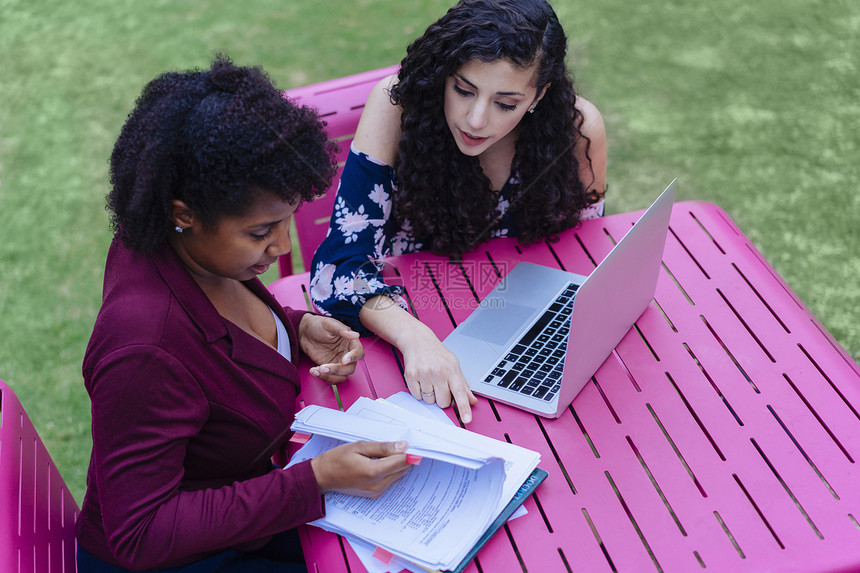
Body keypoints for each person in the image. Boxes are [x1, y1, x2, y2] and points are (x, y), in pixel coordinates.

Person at [76, 56, 412, 572]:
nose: (281, 246)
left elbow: (224, 334)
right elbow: (140, 534)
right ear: (183, 214)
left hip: (248, 511)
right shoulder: (142, 351)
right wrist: (314, 480)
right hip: (188, 557)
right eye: (260, 233)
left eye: (285, 222)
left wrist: (296, 327)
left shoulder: (189, 250)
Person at [309, 0, 607, 424]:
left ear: (539, 94)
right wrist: (415, 337)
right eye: (464, 90)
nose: (476, 119)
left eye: (506, 103)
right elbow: (336, 270)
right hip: (415, 314)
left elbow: (588, 253)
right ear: (443, 73)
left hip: (522, 331)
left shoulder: (578, 128)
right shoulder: (398, 107)